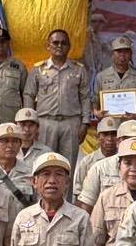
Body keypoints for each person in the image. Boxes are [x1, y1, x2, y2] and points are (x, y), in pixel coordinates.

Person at [24, 28, 91, 165]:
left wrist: (85, 123)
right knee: (44, 164)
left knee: (68, 166)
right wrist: (31, 122)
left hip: (71, 123)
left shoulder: (79, 70)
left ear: (69, 46)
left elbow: (85, 97)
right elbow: (28, 95)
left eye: (63, 43)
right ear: (48, 46)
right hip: (45, 123)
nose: (59, 46)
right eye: (55, 43)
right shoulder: (38, 70)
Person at [76, 119, 136, 212]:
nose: (132, 144)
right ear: (118, 142)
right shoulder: (100, 168)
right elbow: (86, 206)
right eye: (127, 139)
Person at [91, 35, 136, 122]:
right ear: (112, 54)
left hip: (130, 124)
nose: (122, 55)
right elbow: (94, 100)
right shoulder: (101, 77)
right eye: (118, 51)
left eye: (126, 51)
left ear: (131, 54)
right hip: (109, 124)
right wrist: (96, 112)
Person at [73, 116, 121, 203]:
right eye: (105, 134)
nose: (109, 139)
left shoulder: (124, 160)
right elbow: (78, 193)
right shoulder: (87, 162)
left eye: (114, 134)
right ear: (98, 137)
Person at [0, 121, 34, 205]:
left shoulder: (30, 172)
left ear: (20, 144)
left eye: (15, 141)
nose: (10, 145)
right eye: (5, 141)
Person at [15, 108, 48, 175]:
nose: (27, 129)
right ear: (15, 126)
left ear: (37, 128)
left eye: (31, 125)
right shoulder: (6, 150)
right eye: (23, 125)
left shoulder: (45, 152)